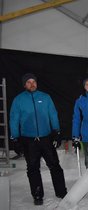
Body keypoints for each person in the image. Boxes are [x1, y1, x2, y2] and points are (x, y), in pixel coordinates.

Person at [9, 73, 67, 205]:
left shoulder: (45, 97)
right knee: (33, 168)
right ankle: (37, 194)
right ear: (24, 85)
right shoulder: (19, 100)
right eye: (28, 82)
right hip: (28, 141)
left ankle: (61, 191)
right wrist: (15, 139)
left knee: (55, 166)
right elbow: (14, 119)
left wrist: (57, 131)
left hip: (46, 138)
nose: (32, 84)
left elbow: (53, 114)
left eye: (33, 82)